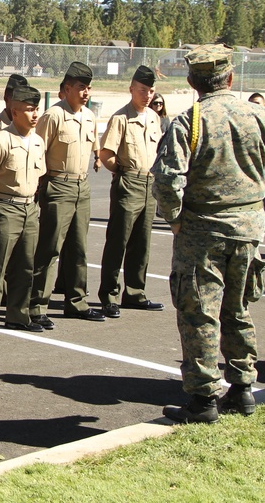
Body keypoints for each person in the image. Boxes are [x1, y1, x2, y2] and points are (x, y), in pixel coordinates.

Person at [154, 45, 264, 424]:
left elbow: (167, 178)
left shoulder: (191, 121)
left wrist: (174, 218)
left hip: (204, 234)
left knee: (199, 312)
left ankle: (203, 399)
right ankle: (243, 388)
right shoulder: (257, 115)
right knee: (238, 308)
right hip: (249, 230)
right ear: (230, 78)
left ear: (191, 81)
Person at [29, 61, 104, 326]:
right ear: (67, 89)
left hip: (81, 186)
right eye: (81, 87)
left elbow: (94, 148)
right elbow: (37, 153)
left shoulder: (89, 116)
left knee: (78, 248)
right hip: (57, 185)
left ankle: (77, 302)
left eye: (88, 88)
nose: (86, 93)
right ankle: (37, 306)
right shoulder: (53, 116)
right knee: (50, 249)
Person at [0, 85, 46, 342]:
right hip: (4, 207)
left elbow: (40, 176)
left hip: (29, 208)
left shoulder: (37, 141)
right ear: (14, 112)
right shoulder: (0, 140)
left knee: (24, 266)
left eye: (36, 109)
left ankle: (18, 315)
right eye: (28, 110)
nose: (34, 114)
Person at [97, 65, 164, 317]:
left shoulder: (154, 118)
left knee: (141, 243)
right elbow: (106, 155)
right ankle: (109, 295)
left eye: (151, 91)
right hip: (129, 182)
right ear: (132, 90)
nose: (147, 96)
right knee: (118, 241)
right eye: (143, 90)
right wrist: (122, 173)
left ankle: (135, 293)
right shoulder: (121, 118)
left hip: (149, 184)